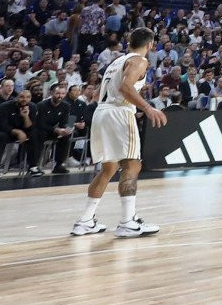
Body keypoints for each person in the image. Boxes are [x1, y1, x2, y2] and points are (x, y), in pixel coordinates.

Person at [71, 27, 166, 238]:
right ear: (150, 44)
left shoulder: (115, 63)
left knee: (109, 168)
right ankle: (127, 222)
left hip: (101, 112)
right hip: (119, 113)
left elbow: (96, 95)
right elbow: (125, 87)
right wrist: (148, 108)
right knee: (132, 164)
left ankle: (85, 221)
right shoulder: (140, 61)